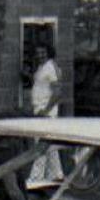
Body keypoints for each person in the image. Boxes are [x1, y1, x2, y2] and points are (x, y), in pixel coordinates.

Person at [25, 44, 65, 189]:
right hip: (39, 109)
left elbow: (58, 92)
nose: (40, 55)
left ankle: (36, 177)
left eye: (43, 52)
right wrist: (27, 75)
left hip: (46, 112)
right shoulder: (42, 67)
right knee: (49, 144)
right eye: (38, 52)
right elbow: (41, 85)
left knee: (40, 144)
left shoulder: (51, 67)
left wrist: (46, 110)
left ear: (49, 53)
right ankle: (57, 175)